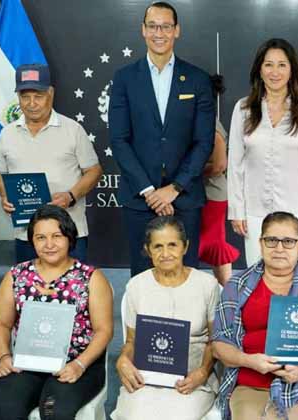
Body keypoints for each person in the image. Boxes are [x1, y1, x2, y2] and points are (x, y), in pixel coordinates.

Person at [212, 212, 298, 420]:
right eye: (271, 240)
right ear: (260, 243)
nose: (279, 248)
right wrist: (249, 361)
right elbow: (219, 344)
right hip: (252, 382)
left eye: (288, 241)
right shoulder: (238, 284)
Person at [109, 1, 215, 276]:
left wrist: (175, 187)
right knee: (144, 277)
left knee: (186, 276)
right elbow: (119, 140)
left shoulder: (198, 79)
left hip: (185, 198)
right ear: (143, 30)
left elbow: (204, 142)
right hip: (139, 199)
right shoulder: (124, 78)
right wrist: (149, 191)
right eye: (153, 26)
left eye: (166, 26)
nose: (159, 33)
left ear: (176, 30)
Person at [0, 205, 114, 419]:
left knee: (54, 410)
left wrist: (79, 364)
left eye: (57, 236)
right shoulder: (16, 275)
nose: (49, 244)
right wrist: (4, 356)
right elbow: (1, 322)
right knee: (4, 409)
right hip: (28, 361)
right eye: (41, 238)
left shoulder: (91, 278)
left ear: (69, 237)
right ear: (32, 240)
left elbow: (104, 330)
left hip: (78, 362)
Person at [227, 38, 298, 265]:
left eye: (282, 65)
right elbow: (235, 164)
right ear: (259, 70)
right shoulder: (243, 108)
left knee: (294, 274)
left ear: (292, 70)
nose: (275, 72)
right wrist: (237, 210)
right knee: (257, 274)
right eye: (268, 64)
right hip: (254, 211)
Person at [0, 63, 103, 263]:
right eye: (25, 97)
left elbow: (93, 170)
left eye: (38, 96)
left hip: (68, 231)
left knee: (72, 283)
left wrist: (71, 196)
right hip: (27, 233)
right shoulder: (7, 133)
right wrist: (4, 195)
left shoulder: (73, 130)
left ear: (50, 94)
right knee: (28, 282)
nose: (31, 103)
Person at [113, 216, 220, 420]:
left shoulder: (207, 285)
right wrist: (123, 360)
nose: (165, 254)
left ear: (185, 247)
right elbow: (131, 341)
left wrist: (203, 372)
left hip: (191, 379)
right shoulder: (137, 285)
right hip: (146, 377)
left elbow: (214, 341)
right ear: (148, 250)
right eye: (158, 247)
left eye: (172, 245)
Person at [198, 74, 240, 284]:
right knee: (212, 244)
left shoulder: (211, 125)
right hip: (201, 193)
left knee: (213, 244)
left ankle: (229, 293)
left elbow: (219, 166)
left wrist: (186, 174)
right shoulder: (196, 120)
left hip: (212, 194)